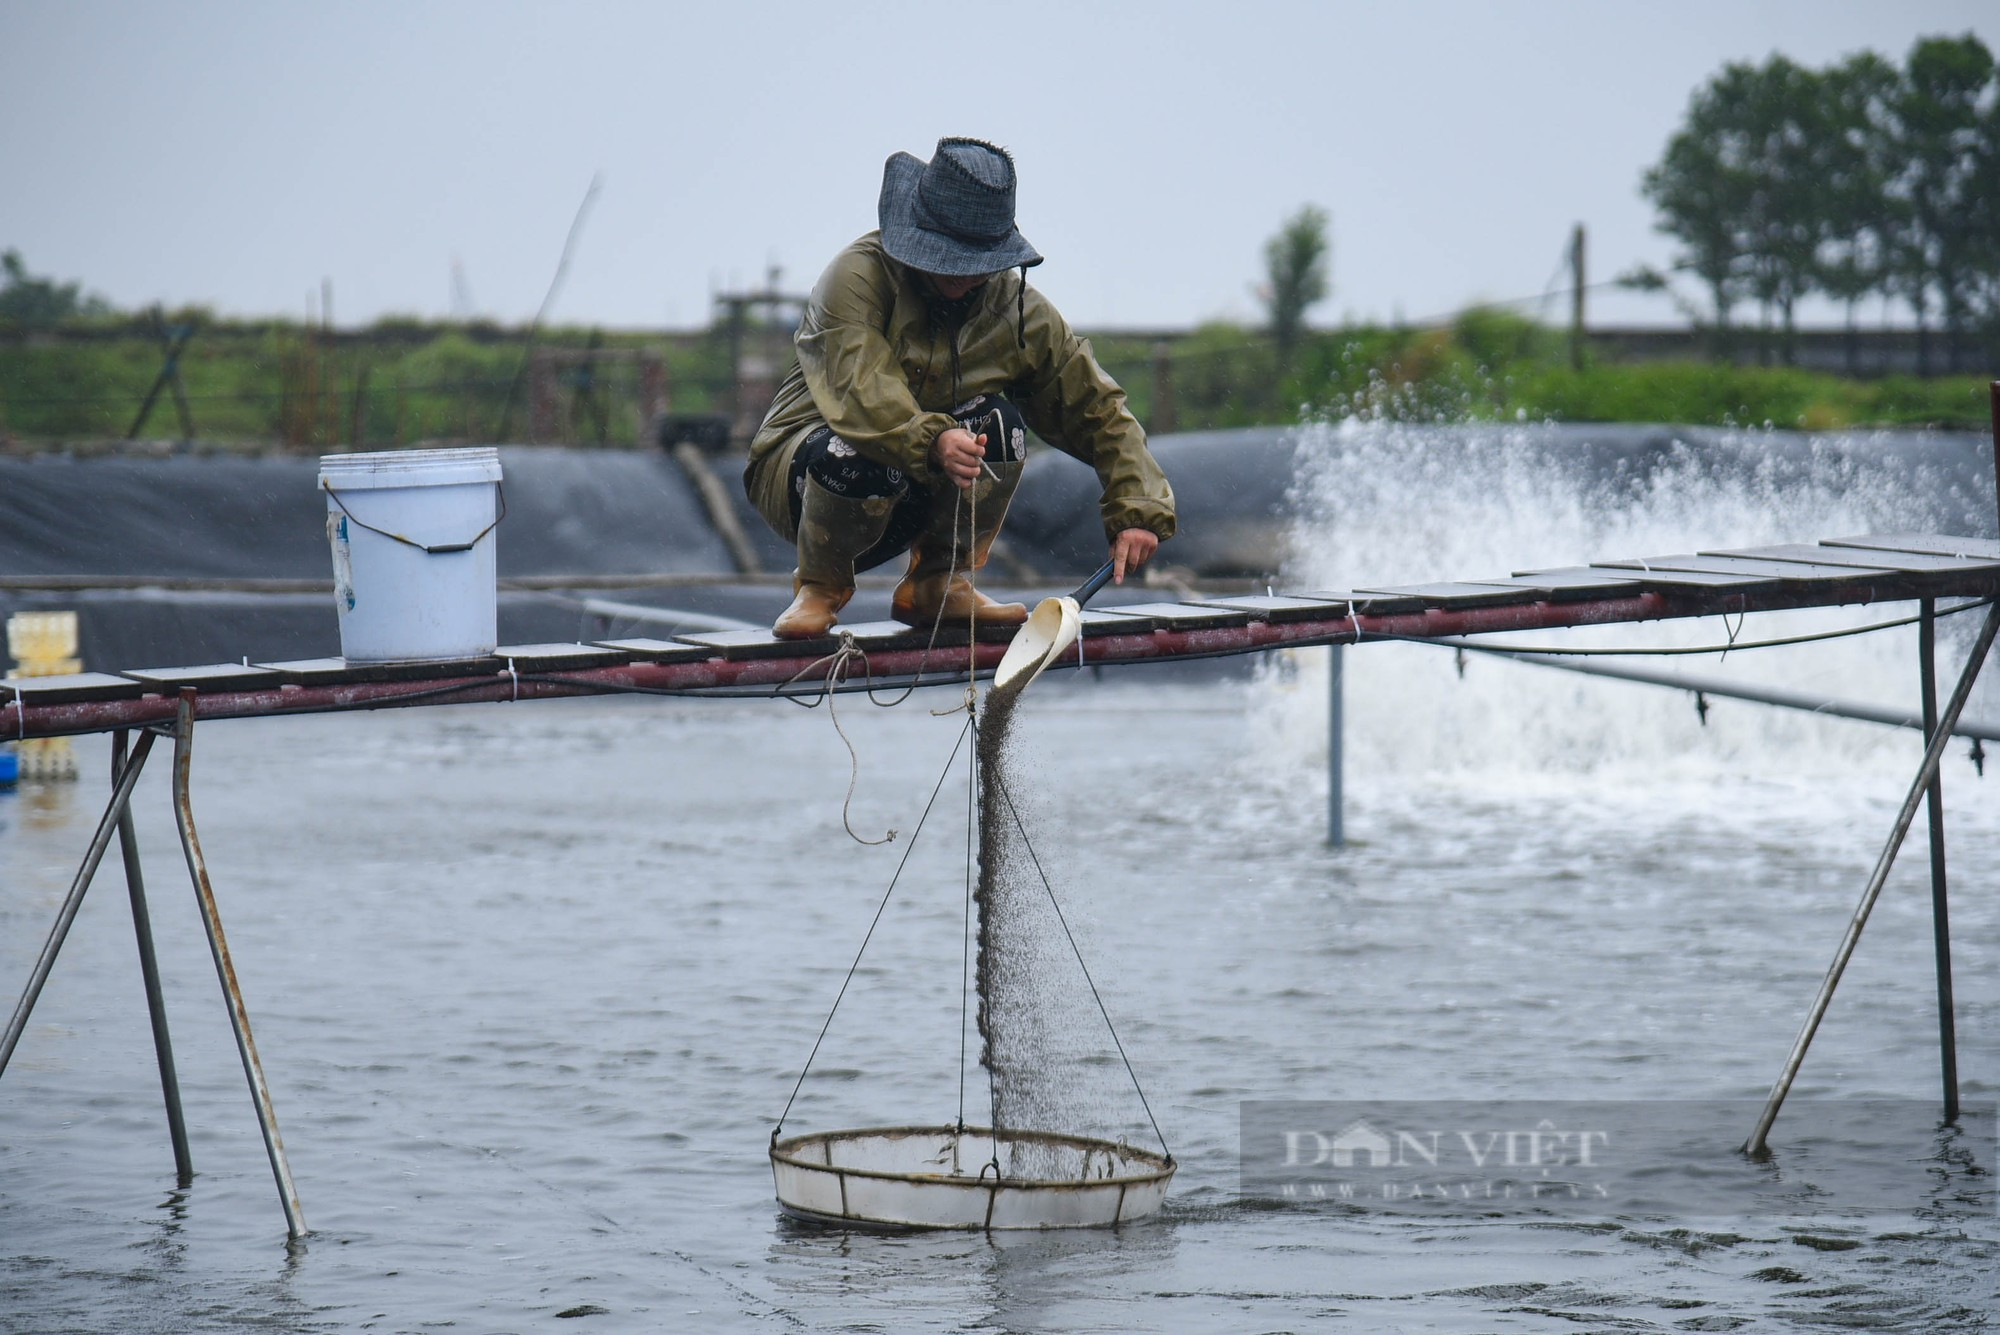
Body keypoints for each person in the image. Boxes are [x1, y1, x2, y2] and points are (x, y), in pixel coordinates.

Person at [744, 137, 1177, 639]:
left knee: (1001, 425)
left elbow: (1098, 408)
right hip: (808, 475)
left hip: (923, 484)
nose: (962, 275)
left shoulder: (1018, 312)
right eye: (948, 257)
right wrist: (932, 439)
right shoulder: (856, 276)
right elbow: (859, 387)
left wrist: (1138, 506)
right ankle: (820, 586)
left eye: (976, 261)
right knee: (854, 451)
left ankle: (940, 583)